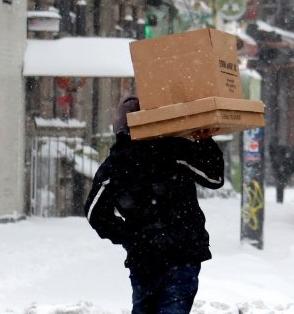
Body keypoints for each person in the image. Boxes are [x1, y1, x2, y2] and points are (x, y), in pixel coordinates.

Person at [86, 94, 225, 314]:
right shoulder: (175, 150)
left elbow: (95, 213)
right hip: (183, 252)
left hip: (144, 258)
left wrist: (128, 236)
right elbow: (214, 178)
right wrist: (204, 141)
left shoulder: (114, 164)